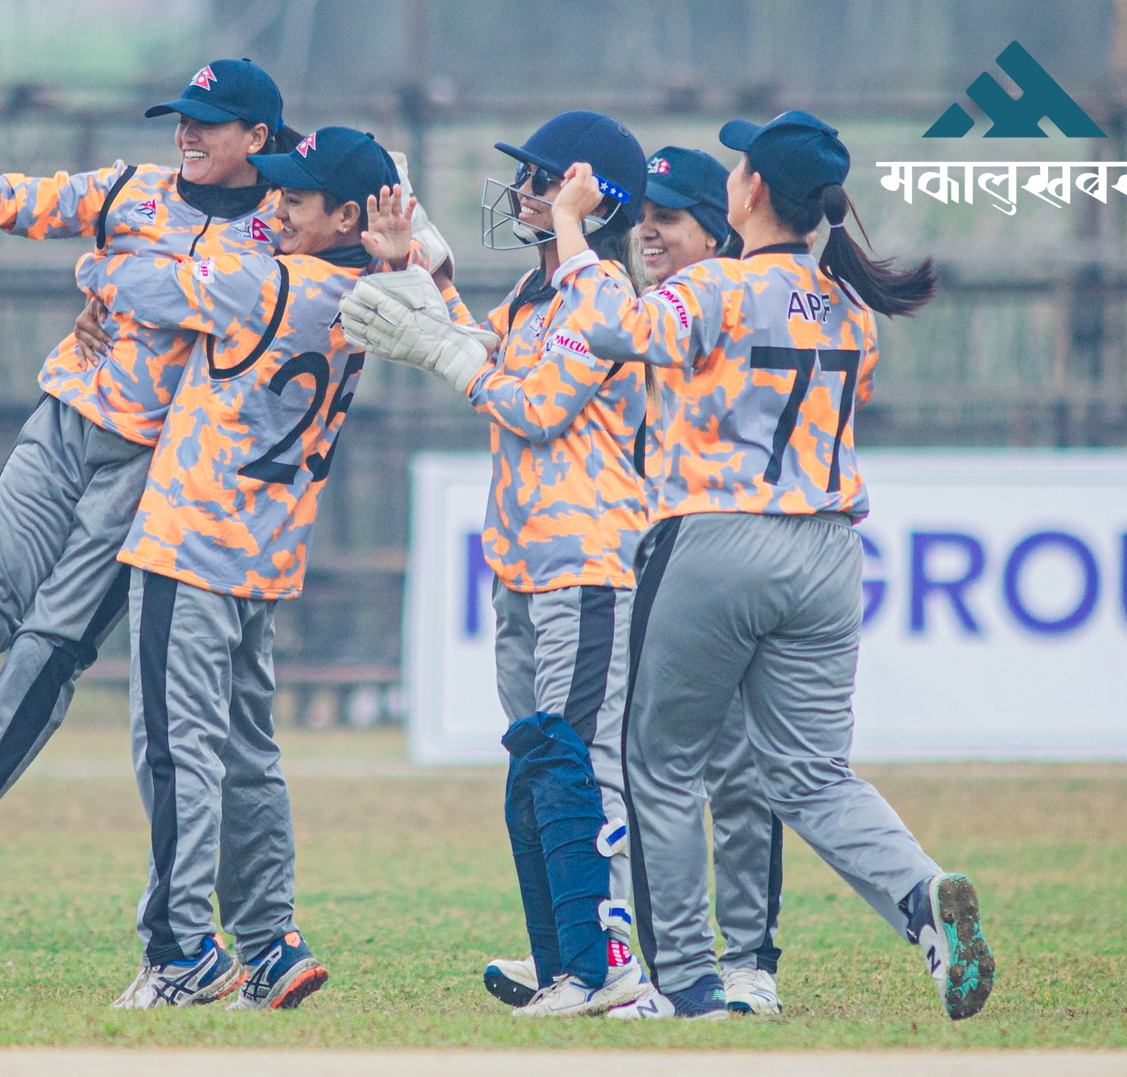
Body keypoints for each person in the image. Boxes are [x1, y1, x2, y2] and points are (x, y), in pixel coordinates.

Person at [539, 110, 995, 1021]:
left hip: (713, 537)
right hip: (826, 552)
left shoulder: (717, 288)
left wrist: (570, 234)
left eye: (740, 167)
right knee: (813, 772)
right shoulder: (853, 310)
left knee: (660, 767)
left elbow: (615, 331)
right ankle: (920, 896)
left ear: (748, 193)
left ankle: (690, 985)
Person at [0, 60, 296, 894]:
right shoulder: (131, 190)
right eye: (181, 118)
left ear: (257, 137)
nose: (186, 133)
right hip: (63, 419)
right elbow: (28, 200)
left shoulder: (280, 226)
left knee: (50, 646)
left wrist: (101, 276)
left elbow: (234, 288)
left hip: (157, 468)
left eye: (209, 122)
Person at [80, 127, 401, 1009]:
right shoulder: (376, 291)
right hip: (264, 553)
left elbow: (140, 281)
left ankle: (183, 950)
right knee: (248, 756)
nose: (277, 206)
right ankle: (269, 943)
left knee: (176, 755)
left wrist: (97, 265)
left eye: (297, 198)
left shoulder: (268, 280)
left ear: (348, 214)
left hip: (190, 545)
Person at [340, 111, 652, 1018]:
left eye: (541, 181)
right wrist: (409, 267)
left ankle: (611, 966)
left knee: (585, 765)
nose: (521, 194)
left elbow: (538, 407)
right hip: (526, 560)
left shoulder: (602, 296)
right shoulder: (535, 294)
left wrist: (443, 349)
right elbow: (487, 352)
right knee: (541, 764)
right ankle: (570, 954)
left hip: (588, 557)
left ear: (585, 200)